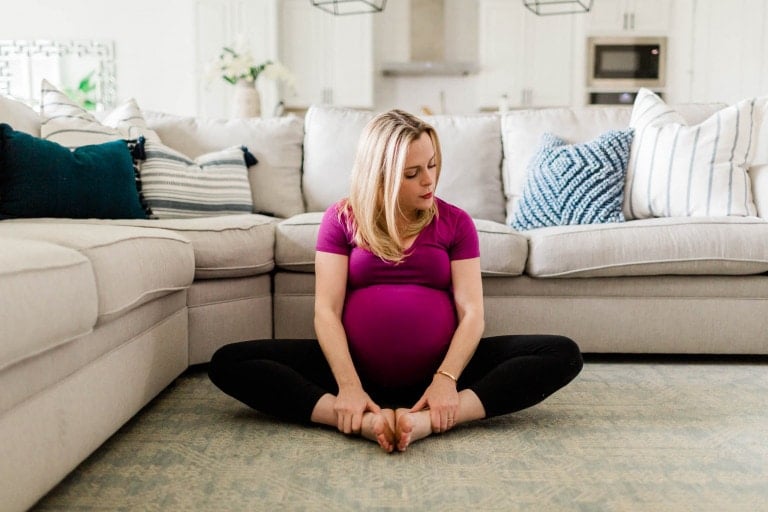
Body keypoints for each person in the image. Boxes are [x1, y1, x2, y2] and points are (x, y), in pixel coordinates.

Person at [208, 109, 583, 453]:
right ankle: (359, 418)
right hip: (354, 370)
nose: (429, 180)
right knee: (229, 362)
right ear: (381, 174)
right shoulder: (342, 218)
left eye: (433, 165)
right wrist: (349, 386)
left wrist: (446, 379)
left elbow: (472, 313)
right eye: (411, 173)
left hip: (441, 373)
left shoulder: (456, 222)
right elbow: (326, 310)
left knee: (561, 353)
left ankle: (429, 419)